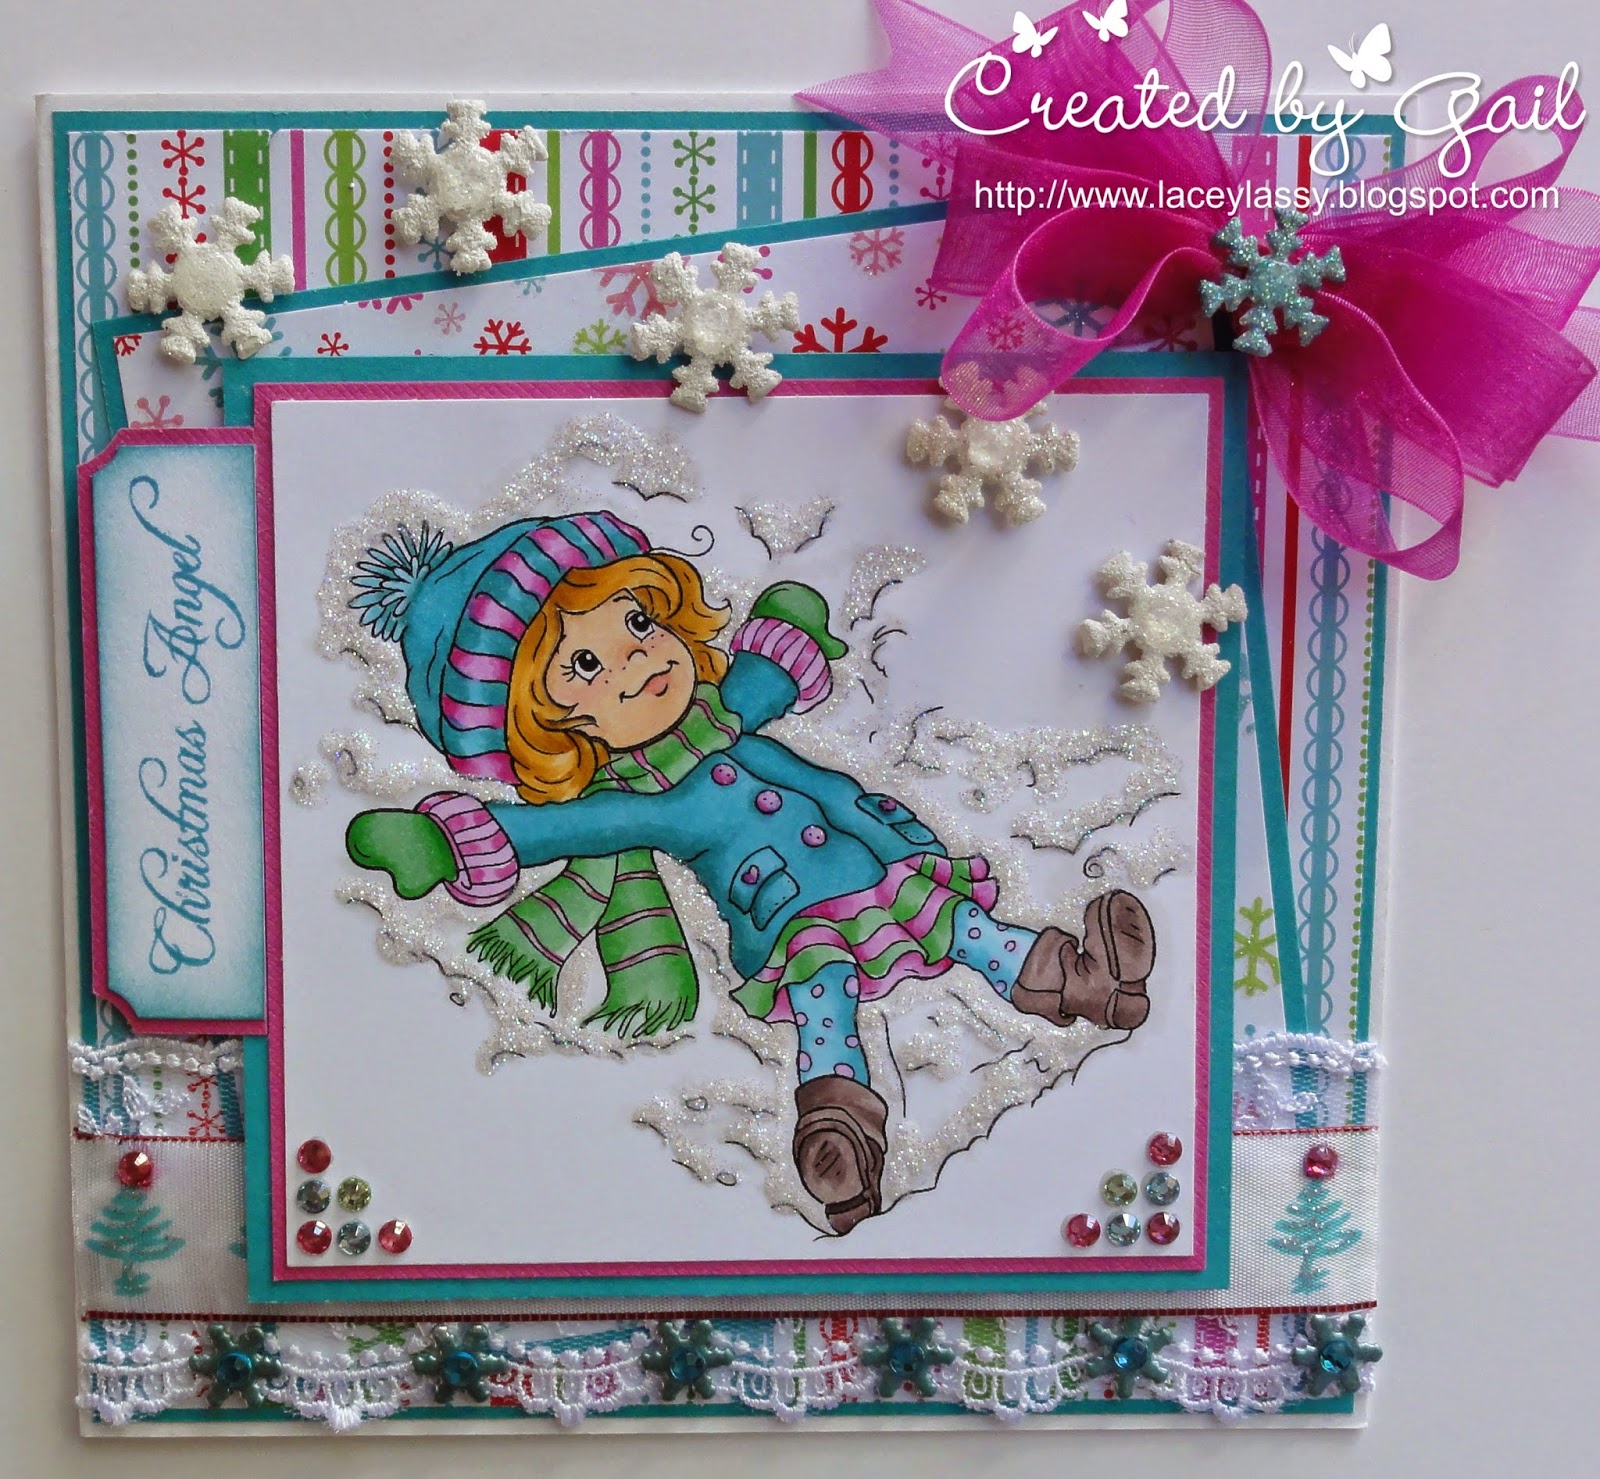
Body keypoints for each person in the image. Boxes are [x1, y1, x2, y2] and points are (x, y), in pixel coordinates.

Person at [345, 513, 1157, 1233]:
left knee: (969, 928)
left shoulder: (725, 708)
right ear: (548, 726)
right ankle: (839, 1141)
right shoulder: (642, 801)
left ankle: (1090, 984)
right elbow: (558, 828)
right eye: (585, 665)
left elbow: (767, 677)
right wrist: (443, 843)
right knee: (825, 1007)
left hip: (877, 862)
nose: (635, 659)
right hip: (792, 917)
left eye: (637, 620)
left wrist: (788, 626)